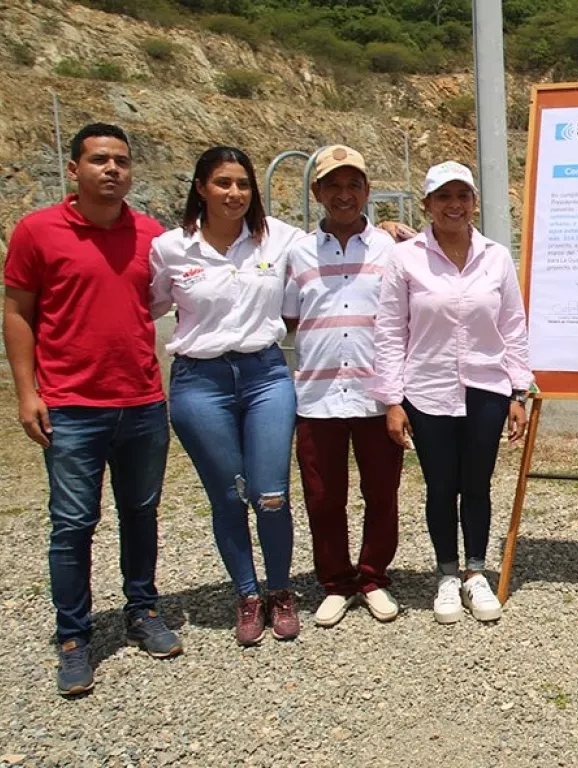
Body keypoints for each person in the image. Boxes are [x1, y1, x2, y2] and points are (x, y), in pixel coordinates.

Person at [3, 123, 182, 695]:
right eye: (100, 160)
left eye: (122, 162)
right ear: (75, 168)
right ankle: (74, 637)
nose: (112, 170)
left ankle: (143, 609)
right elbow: (17, 312)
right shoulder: (38, 232)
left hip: (143, 401)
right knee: (73, 525)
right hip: (72, 406)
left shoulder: (151, 236)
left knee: (141, 512)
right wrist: (27, 391)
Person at [149, 147, 307, 647]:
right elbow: (149, 303)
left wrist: (388, 230)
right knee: (227, 495)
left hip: (265, 375)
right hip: (201, 382)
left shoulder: (279, 238)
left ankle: (280, 589)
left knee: (271, 493)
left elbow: (333, 244)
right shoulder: (171, 248)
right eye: (222, 183)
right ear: (200, 187)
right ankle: (247, 593)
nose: (234, 193)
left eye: (242, 183)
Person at [372, 161, 531, 624]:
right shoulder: (405, 259)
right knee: (441, 486)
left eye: (462, 196)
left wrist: (518, 391)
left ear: (473, 203)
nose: (454, 205)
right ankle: (445, 575)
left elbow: (513, 326)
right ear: (427, 205)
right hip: (427, 390)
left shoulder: (496, 257)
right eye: (443, 197)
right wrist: (393, 400)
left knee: (476, 484)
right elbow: (390, 332)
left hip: (486, 388)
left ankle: (476, 572)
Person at [282, 146, 403, 628]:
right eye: (333, 185)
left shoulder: (391, 250)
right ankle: (335, 582)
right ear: (317, 193)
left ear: (367, 191)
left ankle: (372, 576)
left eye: (353, 184)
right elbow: (292, 318)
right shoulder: (298, 253)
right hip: (317, 396)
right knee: (323, 495)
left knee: (382, 492)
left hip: (376, 395)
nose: (344, 194)